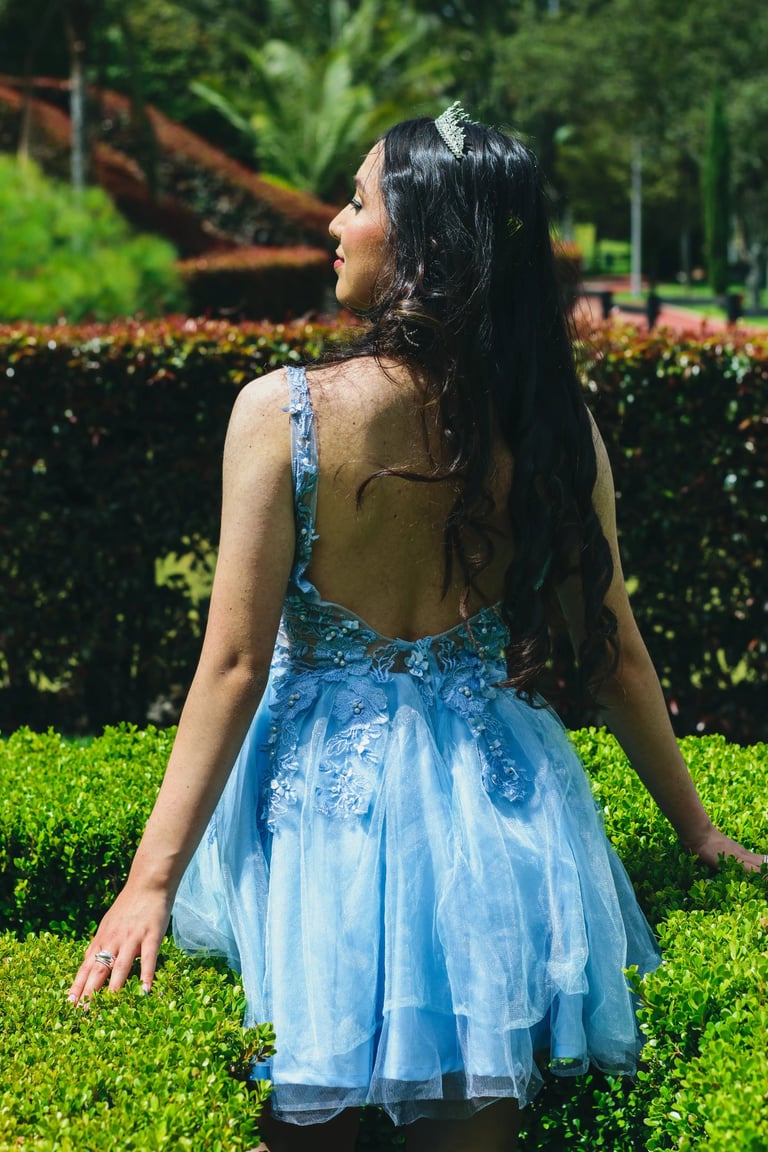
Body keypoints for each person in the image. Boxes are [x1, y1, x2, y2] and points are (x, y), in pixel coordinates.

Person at [69, 105, 765, 1152]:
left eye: (358, 202)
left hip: (321, 822)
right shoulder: (550, 426)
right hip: (498, 813)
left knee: (309, 1110)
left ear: (425, 244)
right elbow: (612, 650)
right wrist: (699, 832)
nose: (335, 226)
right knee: (474, 1107)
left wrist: (149, 884)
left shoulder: (282, 410)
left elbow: (234, 664)